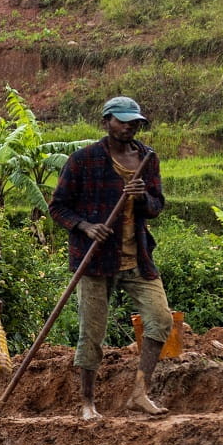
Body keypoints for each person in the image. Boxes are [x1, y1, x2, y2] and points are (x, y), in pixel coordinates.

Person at [50, 96, 171, 421]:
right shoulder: (83, 160)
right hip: (94, 261)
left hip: (138, 257)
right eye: (122, 120)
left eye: (134, 121)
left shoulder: (147, 158)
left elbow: (157, 206)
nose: (129, 126)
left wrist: (142, 197)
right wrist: (86, 226)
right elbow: (58, 207)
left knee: (161, 319)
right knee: (92, 334)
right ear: (107, 121)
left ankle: (139, 394)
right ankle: (87, 403)